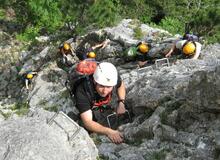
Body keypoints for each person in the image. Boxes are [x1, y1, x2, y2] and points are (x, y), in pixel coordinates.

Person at [74, 62, 126, 144]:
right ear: (95, 81)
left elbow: (120, 85)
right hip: (88, 99)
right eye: (101, 86)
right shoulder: (82, 91)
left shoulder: (112, 78)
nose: (105, 91)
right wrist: (108, 131)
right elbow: (87, 122)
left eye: (108, 87)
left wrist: (121, 102)